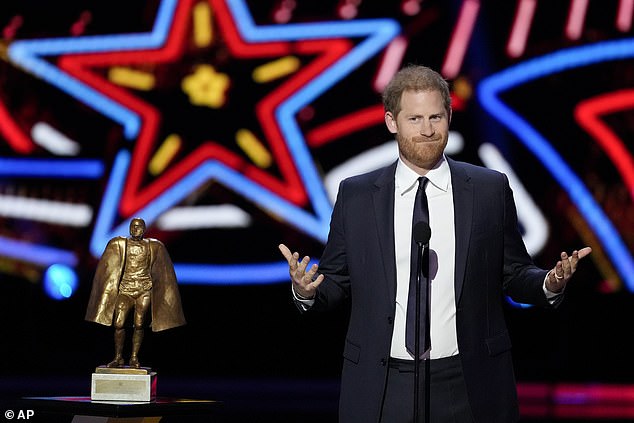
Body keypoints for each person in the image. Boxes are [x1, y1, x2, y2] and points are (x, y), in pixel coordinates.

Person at [278, 65, 592, 422]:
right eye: (414, 119)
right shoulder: (357, 195)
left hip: (468, 382)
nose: (427, 130)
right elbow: (336, 280)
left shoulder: (488, 190)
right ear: (391, 122)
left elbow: (515, 273)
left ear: (449, 116)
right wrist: (307, 290)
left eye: (435, 117)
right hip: (383, 384)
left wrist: (549, 282)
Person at [85, 217, 186, 368]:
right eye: (133, 226)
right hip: (125, 290)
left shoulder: (153, 246)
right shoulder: (121, 244)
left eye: (138, 226)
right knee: (119, 323)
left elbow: (163, 271)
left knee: (139, 324)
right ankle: (118, 357)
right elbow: (107, 268)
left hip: (143, 290)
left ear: (144, 229)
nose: (135, 229)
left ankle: (133, 357)